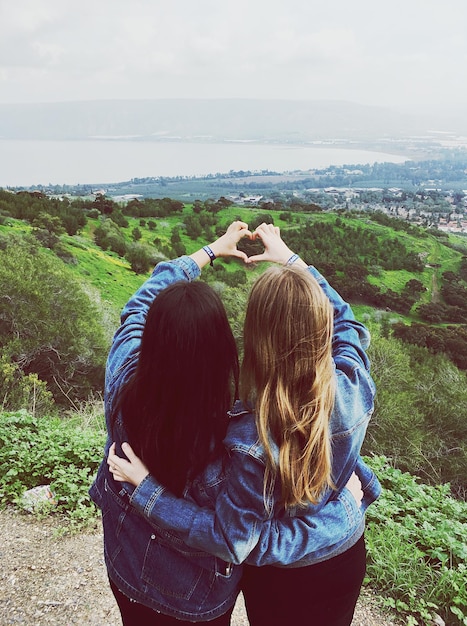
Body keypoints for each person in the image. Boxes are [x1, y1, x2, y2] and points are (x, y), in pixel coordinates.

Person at [91, 221, 368, 626]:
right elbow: (345, 323)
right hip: (213, 596)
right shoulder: (352, 384)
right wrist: (344, 513)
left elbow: (139, 304)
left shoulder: (125, 374)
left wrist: (209, 251)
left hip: (130, 564)